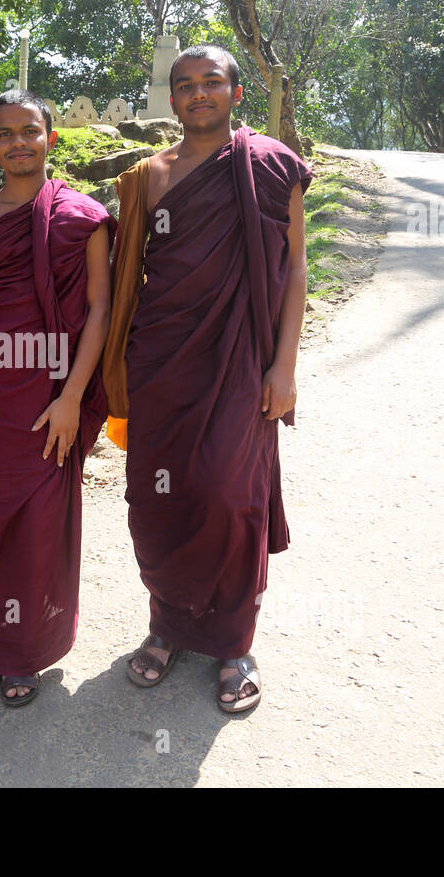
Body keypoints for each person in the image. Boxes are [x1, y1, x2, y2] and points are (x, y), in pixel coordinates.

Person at [100, 44, 310, 713]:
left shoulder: (272, 166)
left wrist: (284, 366)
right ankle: (168, 623)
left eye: (211, 82)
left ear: (235, 92)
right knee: (160, 499)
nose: (198, 94)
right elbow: (128, 278)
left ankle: (231, 641)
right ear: (172, 99)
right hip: (162, 363)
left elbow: (296, 269)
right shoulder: (147, 179)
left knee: (228, 493)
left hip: (242, 363)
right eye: (184, 85)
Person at [0, 90, 113, 707]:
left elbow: (99, 310)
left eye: (29, 131)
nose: (18, 143)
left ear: (50, 137)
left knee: (37, 528)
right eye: (4, 134)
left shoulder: (82, 216)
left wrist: (72, 398)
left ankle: (25, 650)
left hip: (48, 396)